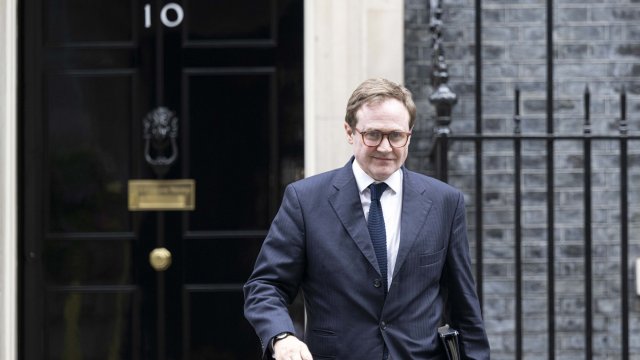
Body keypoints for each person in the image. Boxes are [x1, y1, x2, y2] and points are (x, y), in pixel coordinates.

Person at [244, 78, 490, 360]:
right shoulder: (305, 200)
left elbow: (464, 309)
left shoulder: (445, 202)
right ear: (349, 132)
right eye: (373, 134)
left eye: (396, 136)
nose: (385, 147)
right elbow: (265, 285)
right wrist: (281, 336)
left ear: (409, 134)